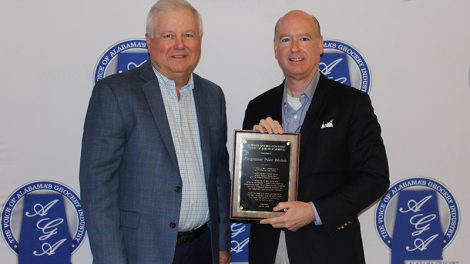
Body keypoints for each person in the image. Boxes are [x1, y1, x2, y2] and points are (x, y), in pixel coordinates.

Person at [79, 0, 231, 263]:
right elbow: (97, 191)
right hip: (141, 252)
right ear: (149, 42)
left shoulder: (212, 95)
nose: (179, 45)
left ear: (200, 40)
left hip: (202, 249)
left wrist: (221, 243)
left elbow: (219, 176)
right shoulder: (115, 93)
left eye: (188, 35)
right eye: (168, 35)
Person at [242, 10, 390, 264]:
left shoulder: (351, 104)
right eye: (286, 39)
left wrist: (314, 211)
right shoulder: (258, 107)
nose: (295, 48)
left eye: (305, 38)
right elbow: (249, 189)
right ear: (275, 48)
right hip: (269, 250)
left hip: (330, 250)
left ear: (320, 45)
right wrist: (257, 151)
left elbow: (375, 178)